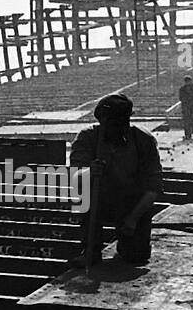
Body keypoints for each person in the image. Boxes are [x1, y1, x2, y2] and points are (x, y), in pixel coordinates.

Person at [68, 93, 163, 267]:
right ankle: (91, 249)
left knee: (136, 256)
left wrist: (133, 218)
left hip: (132, 204)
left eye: (119, 123)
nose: (114, 129)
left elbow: (153, 188)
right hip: (99, 201)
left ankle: (129, 244)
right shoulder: (88, 137)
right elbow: (74, 176)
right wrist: (89, 172)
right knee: (83, 195)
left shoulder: (143, 140)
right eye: (109, 124)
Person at [179, 75, 193, 139]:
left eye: (188, 81)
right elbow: (181, 98)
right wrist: (186, 103)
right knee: (186, 121)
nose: (187, 82)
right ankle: (187, 134)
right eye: (186, 81)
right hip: (186, 107)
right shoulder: (182, 89)